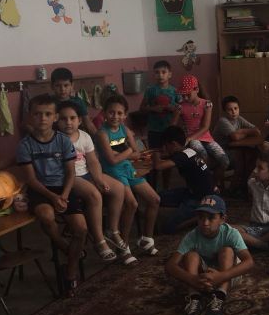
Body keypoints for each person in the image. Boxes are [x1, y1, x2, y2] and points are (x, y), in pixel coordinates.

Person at [17, 94, 85, 295]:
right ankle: (66, 249)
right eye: (37, 114)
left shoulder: (63, 141)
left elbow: (71, 173)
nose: (43, 118)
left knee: (81, 228)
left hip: (63, 188)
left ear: (55, 117)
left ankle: (70, 272)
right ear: (30, 116)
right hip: (40, 190)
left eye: (47, 114)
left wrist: (63, 195)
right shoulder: (25, 146)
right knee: (46, 216)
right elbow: (31, 180)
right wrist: (53, 197)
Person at [57, 101, 137, 264]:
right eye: (64, 119)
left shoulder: (84, 136)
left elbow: (93, 161)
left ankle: (113, 230)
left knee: (118, 188)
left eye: (72, 118)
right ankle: (99, 240)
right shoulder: (56, 139)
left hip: (87, 173)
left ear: (80, 120)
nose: (68, 122)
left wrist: (99, 179)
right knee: (95, 195)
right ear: (57, 120)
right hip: (70, 178)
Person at [165, 195, 254, 315]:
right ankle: (194, 297)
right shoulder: (193, 235)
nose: (205, 223)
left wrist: (221, 276)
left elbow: (249, 261)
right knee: (191, 255)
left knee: (227, 250)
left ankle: (219, 297)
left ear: (223, 219)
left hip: (228, 275)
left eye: (211, 218)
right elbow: (170, 265)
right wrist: (192, 279)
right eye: (201, 217)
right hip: (202, 278)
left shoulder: (231, 233)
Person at [96, 94, 161, 256]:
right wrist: (128, 151)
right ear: (104, 113)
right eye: (111, 112)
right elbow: (112, 161)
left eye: (120, 113)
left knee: (155, 199)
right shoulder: (102, 134)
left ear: (125, 115)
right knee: (132, 204)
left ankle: (147, 239)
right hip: (113, 172)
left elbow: (136, 153)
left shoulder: (124, 129)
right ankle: (123, 246)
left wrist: (123, 154)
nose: (115, 116)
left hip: (127, 169)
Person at [151, 125, 220, 234]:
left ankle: (197, 218)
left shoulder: (182, 156)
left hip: (200, 198)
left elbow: (158, 166)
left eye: (166, 146)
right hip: (192, 192)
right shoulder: (188, 151)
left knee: (167, 228)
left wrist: (155, 153)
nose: (165, 149)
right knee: (156, 197)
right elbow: (170, 158)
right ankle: (191, 211)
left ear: (173, 144)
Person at [173, 75, 230, 188]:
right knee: (202, 155)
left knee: (225, 161)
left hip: (205, 137)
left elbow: (205, 127)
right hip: (190, 138)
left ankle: (213, 184)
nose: (185, 98)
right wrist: (181, 139)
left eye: (188, 94)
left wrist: (189, 138)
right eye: (183, 95)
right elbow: (173, 126)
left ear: (197, 90)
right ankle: (204, 185)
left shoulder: (207, 104)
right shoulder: (180, 106)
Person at [212, 95, 261, 192]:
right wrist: (244, 133)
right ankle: (234, 187)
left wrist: (242, 131)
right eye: (230, 109)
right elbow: (235, 137)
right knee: (242, 157)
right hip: (221, 151)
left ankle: (242, 183)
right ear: (225, 111)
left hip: (233, 148)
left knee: (254, 152)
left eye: (236, 108)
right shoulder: (223, 121)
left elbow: (256, 130)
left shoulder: (239, 119)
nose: (233, 112)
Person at [139, 60, 180, 152]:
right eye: (157, 72)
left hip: (170, 129)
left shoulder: (175, 91)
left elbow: (181, 109)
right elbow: (141, 108)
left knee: (170, 152)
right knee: (155, 152)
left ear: (170, 74)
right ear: (154, 74)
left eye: (163, 72)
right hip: (154, 130)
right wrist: (153, 109)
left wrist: (173, 109)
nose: (160, 75)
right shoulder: (150, 90)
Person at [50, 67, 96, 135]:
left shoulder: (78, 102)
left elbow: (88, 124)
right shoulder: (48, 103)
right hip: (54, 137)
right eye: (58, 86)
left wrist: (98, 137)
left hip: (76, 137)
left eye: (66, 85)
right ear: (52, 86)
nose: (62, 89)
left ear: (72, 85)